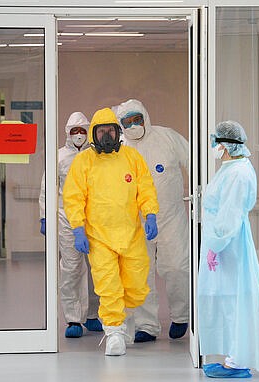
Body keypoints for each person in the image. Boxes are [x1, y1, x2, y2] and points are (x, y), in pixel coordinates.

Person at [63, 107, 159, 356]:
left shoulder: (132, 158)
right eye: (101, 131)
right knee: (108, 285)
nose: (106, 136)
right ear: (93, 135)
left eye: (111, 131)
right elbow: (73, 197)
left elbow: (146, 187)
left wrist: (150, 214)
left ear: (118, 133)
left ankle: (123, 318)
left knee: (137, 285)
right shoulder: (84, 161)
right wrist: (78, 229)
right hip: (99, 236)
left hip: (131, 234)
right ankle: (114, 331)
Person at [115, 99, 189, 342]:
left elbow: (194, 162)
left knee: (177, 266)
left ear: (145, 115)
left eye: (138, 118)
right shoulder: (120, 146)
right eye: (128, 122)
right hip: (135, 220)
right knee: (140, 273)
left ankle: (182, 315)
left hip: (170, 216)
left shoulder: (167, 137)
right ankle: (146, 325)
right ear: (121, 125)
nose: (134, 125)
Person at [198, 120, 259, 378]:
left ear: (225, 145)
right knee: (227, 300)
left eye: (216, 141)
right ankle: (232, 357)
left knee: (235, 301)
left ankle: (238, 362)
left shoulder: (238, 173)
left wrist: (216, 246)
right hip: (226, 245)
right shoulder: (231, 168)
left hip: (230, 246)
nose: (214, 145)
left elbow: (230, 214)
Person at [38, 111, 102, 338]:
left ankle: (93, 315)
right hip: (66, 217)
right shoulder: (58, 157)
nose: (78, 135)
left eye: (82, 131)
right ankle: (73, 318)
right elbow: (48, 188)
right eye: (74, 131)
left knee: (98, 268)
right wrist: (45, 216)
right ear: (67, 133)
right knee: (71, 268)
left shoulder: (96, 156)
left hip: (94, 217)